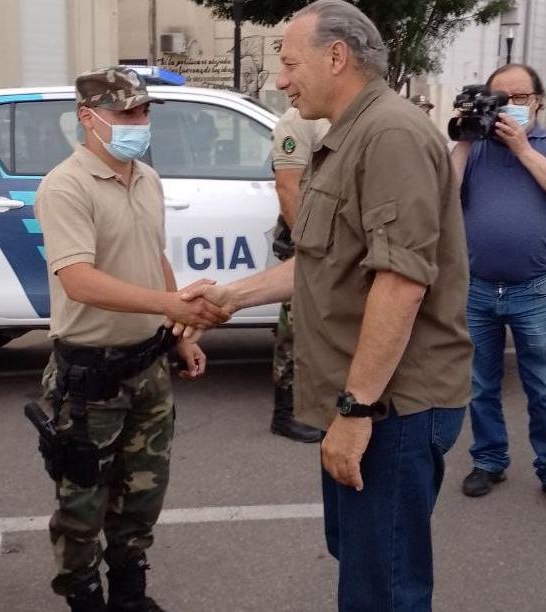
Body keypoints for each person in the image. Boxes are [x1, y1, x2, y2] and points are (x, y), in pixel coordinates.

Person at [178, 2, 473, 608]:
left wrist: (357, 411)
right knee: (362, 560)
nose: (282, 80)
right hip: (368, 402)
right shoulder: (351, 134)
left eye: (290, 63)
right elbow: (323, 261)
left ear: (336, 57)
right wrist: (230, 296)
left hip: (391, 407)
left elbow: (401, 283)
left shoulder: (388, 134)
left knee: (382, 587)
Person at [33, 66, 230, 612]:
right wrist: (171, 304)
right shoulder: (65, 186)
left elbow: (155, 257)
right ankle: (83, 598)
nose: (138, 123)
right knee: (82, 505)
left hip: (148, 366)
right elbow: (78, 279)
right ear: (87, 118)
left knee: (141, 496)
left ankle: (129, 595)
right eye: (125, 114)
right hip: (90, 377)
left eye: (143, 112)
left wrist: (177, 334)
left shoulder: (145, 177)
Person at [451, 63, 546, 516]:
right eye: (498, 99)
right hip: (478, 288)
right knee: (480, 384)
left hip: (534, 289)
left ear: (537, 102)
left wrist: (522, 147)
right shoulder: (476, 150)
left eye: (519, 98)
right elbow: (442, 195)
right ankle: (489, 461)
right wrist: (467, 136)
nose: (509, 107)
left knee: (544, 386)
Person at [269, 107, 329, 443]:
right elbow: (287, 189)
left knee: (316, 329)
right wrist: (306, 245)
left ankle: (313, 405)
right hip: (307, 243)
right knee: (294, 329)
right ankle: (284, 413)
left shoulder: (334, 115)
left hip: (329, 242)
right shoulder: (296, 120)